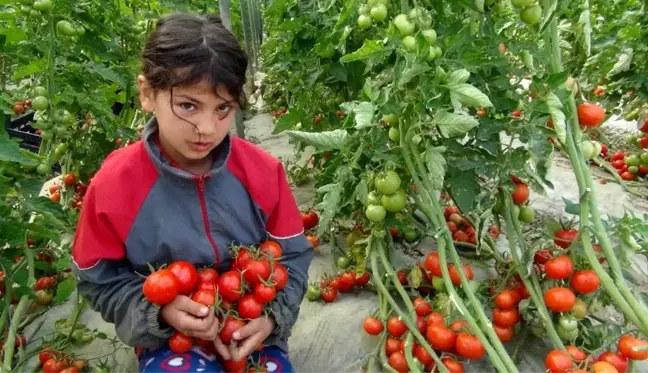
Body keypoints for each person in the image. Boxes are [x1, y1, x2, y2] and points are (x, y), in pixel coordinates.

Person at [71, 12, 314, 373]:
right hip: (169, 339)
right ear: (146, 94)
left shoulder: (263, 172)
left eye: (223, 109)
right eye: (188, 105)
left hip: (249, 330)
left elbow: (292, 259)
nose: (206, 128)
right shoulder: (115, 185)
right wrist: (159, 310)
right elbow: (100, 281)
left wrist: (272, 319)